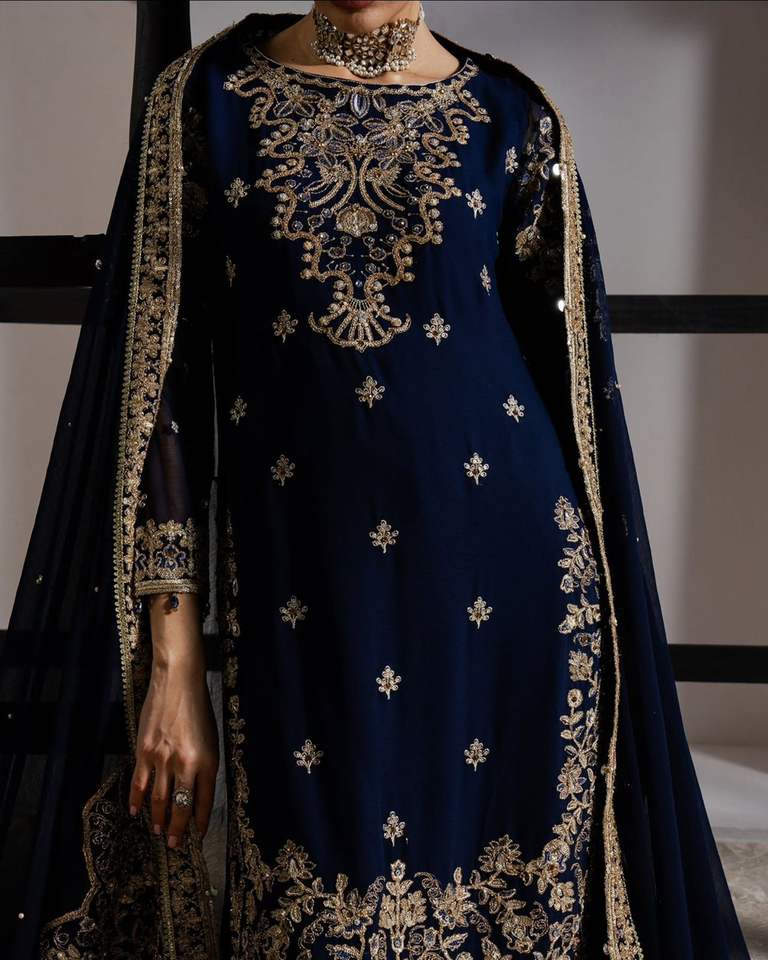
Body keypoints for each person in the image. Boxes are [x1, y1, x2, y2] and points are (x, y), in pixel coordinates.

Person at [1, 2, 750, 958]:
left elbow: (576, 405)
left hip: (510, 601)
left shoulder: (513, 118)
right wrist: (174, 659)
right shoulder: (208, 102)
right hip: (307, 608)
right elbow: (160, 391)